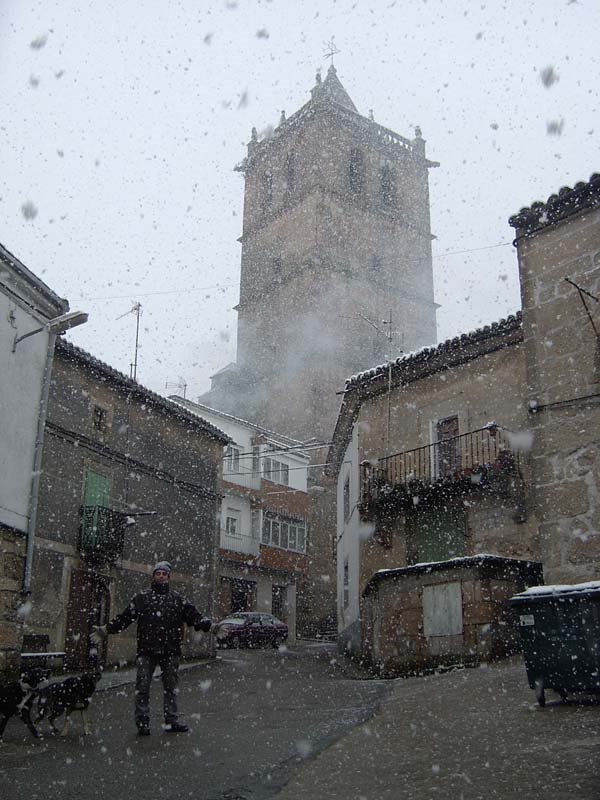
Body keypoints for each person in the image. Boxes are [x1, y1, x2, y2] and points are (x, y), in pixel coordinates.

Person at [91, 560, 216, 736]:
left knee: (171, 689)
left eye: (164, 574)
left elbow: (194, 617)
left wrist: (211, 627)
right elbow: (125, 618)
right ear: (153, 576)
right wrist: (106, 630)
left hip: (170, 651)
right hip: (146, 651)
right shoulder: (142, 598)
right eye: (158, 573)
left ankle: (171, 721)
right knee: (142, 688)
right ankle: (142, 723)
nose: (161, 576)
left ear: (168, 577)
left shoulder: (177, 599)